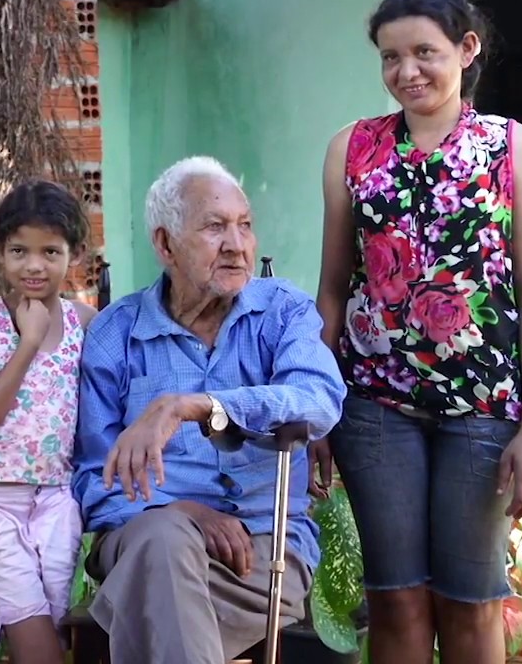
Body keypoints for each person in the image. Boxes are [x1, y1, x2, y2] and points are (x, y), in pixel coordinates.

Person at [313, 0, 522, 664]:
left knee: (473, 602)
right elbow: (332, 289)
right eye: (391, 57)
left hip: (483, 409)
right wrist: (315, 406)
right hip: (373, 407)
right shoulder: (351, 150)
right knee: (394, 599)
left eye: (425, 52)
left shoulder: (512, 148)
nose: (407, 71)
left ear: (467, 49)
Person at [72, 156, 347, 664]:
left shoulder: (282, 311)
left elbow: (318, 397)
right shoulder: (117, 336)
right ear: (165, 244)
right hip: (141, 537)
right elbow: (95, 479)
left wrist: (200, 406)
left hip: (262, 555)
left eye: (245, 225)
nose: (237, 245)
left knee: (151, 600)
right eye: (215, 227)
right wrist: (185, 514)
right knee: (164, 542)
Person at [0, 180, 97, 664]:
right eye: (19, 251)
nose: (34, 265)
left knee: (52, 639)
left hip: (56, 500)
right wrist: (29, 342)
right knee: (39, 647)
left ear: (74, 254)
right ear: (0, 253)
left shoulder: (85, 323)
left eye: (49, 252)